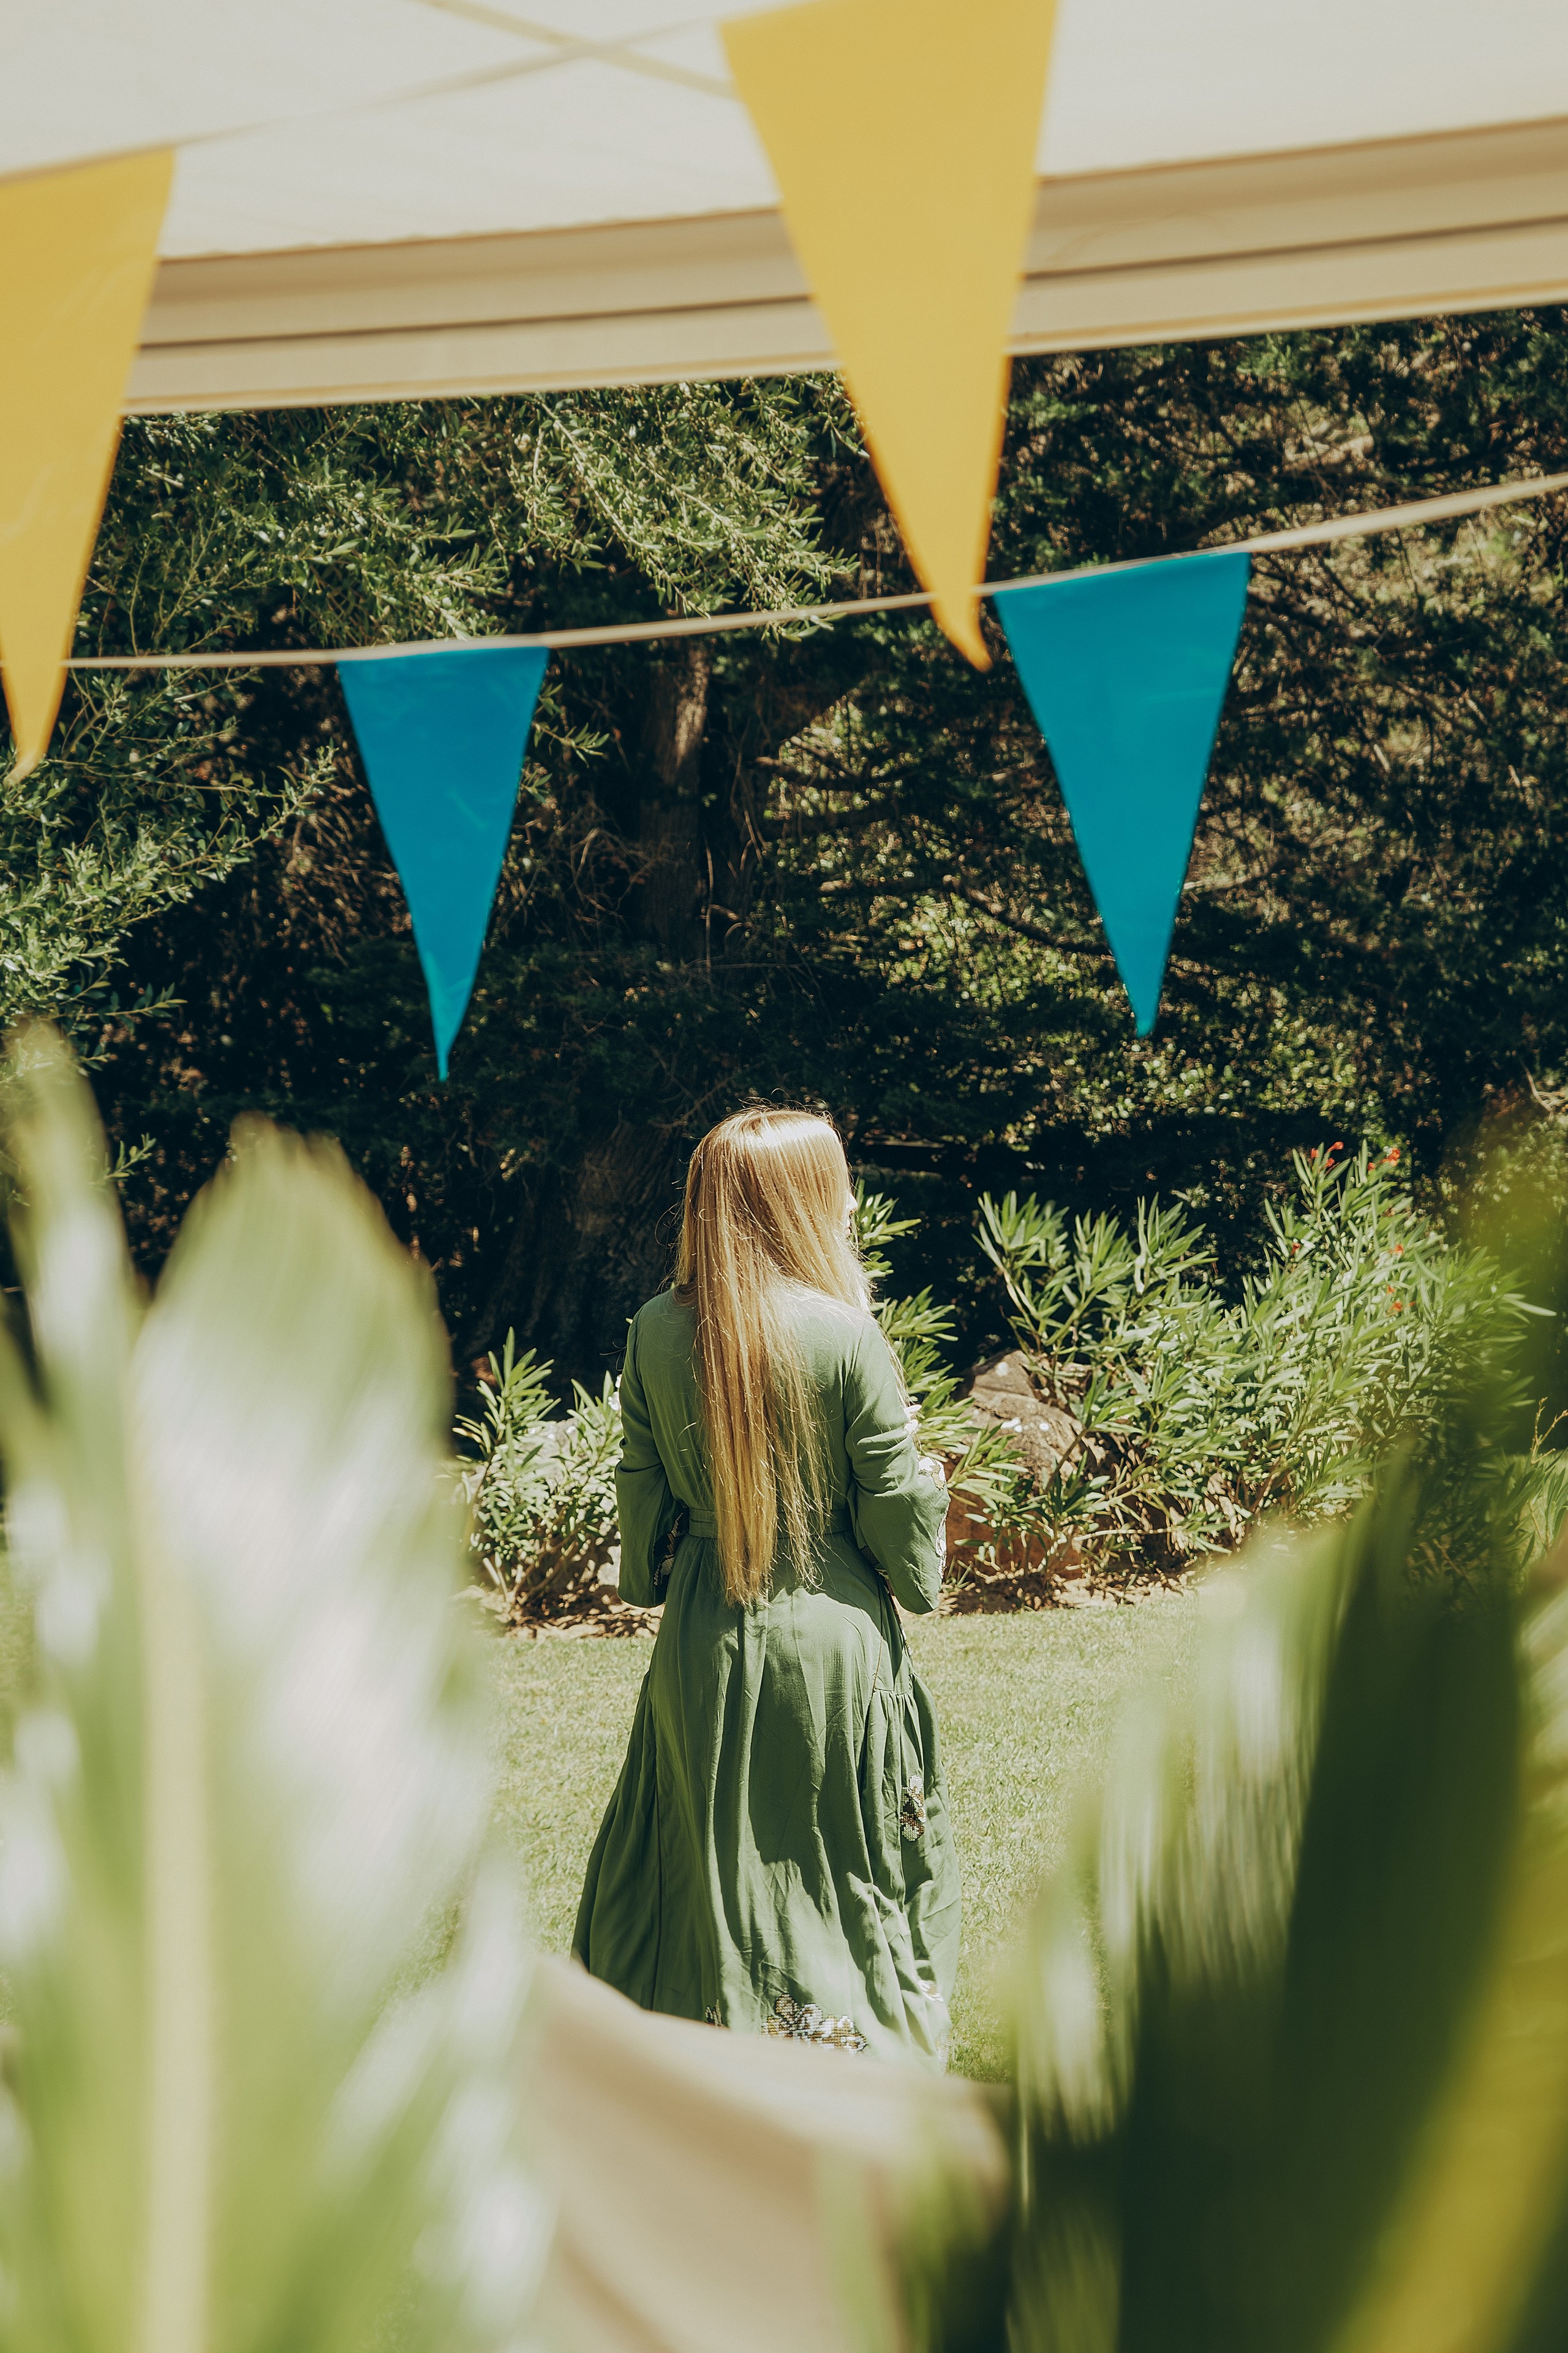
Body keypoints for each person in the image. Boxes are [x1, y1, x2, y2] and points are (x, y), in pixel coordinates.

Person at [573, 1106, 960, 2066]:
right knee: (849, 1864)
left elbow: (640, 1502)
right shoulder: (844, 1335)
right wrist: (925, 1476)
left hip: (704, 1635)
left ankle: (685, 2062)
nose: (852, 1201)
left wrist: (666, 1556)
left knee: (699, 1861)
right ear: (803, 1201)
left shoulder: (655, 1329)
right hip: (830, 1636)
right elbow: (895, 1523)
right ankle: (851, 2056)